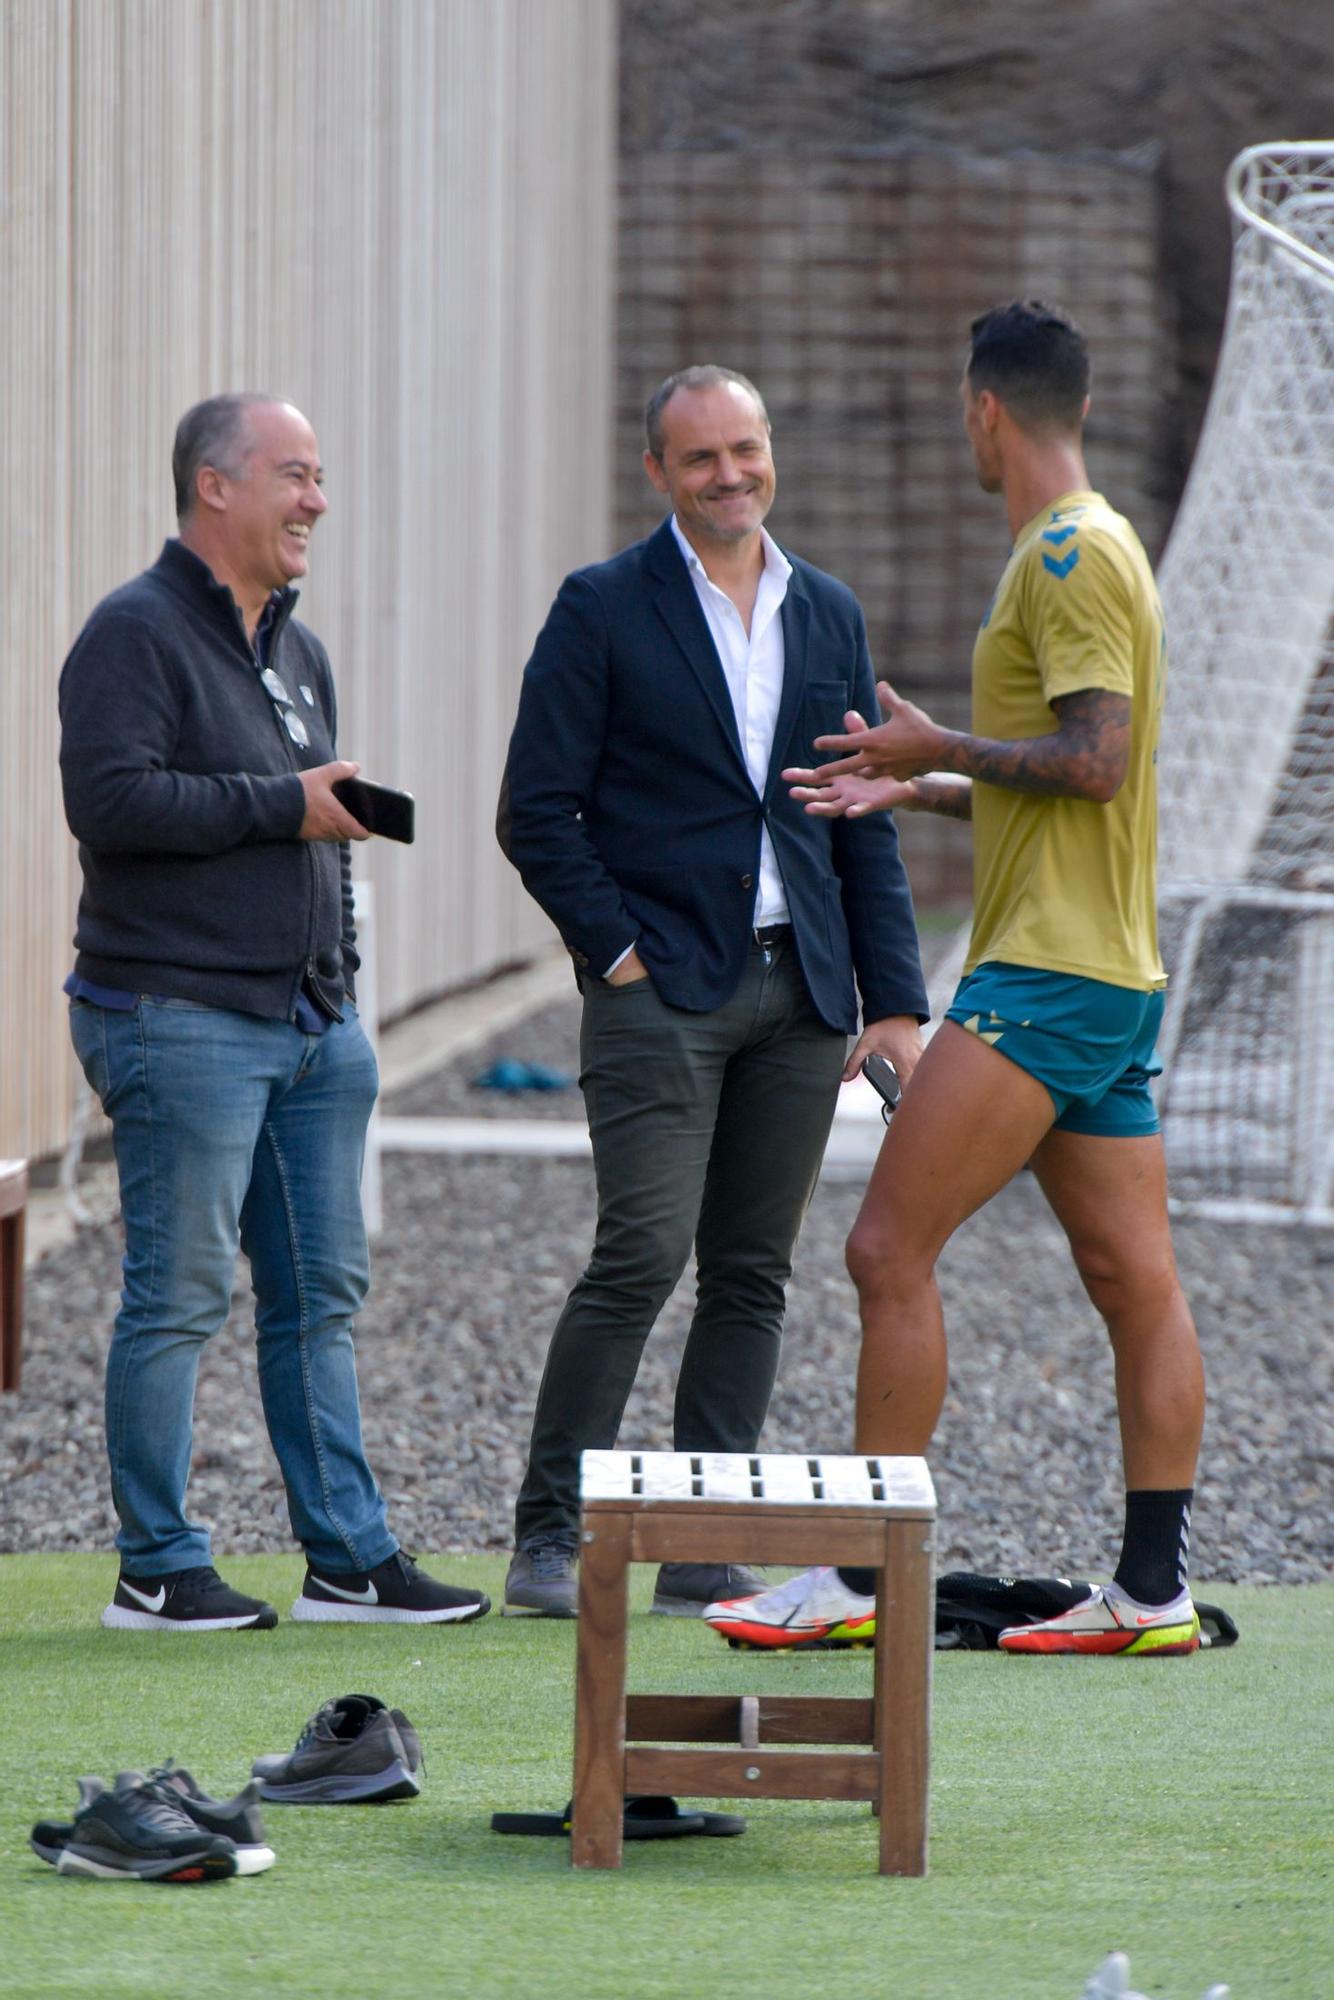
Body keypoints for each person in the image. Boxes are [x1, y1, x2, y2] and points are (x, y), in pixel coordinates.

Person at [709, 302, 1206, 1655]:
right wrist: (916, 782)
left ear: (983, 411)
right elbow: (1072, 792)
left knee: (885, 1249)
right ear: (1078, 406)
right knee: (1131, 1280)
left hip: (1045, 978)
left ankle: (863, 1580)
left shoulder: (1064, 555)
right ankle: (1150, 1594)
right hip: (1107, 978)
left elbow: (1091, 762)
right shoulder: (1088, 545)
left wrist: (943, 739)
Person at [497, 364, 929, 1617]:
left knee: (751, 1270)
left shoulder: (827, 611)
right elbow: (535, 809)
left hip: (800, 994)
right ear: (658, 473)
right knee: (637, 1253)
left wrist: (890, 999)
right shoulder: (600, 608)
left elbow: (858, 821)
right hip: (658, 991)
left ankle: (698, 1540)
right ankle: (546, 1533)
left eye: (746, 449)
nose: (730, 474)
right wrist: (614, 953)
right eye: (701, 458)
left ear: (769, 450)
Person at [59, 393, 489, 1632]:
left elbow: (316, 824)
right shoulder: (132, 633)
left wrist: (337, 978)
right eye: (293, 475)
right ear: (215, 485)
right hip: (177, 1012)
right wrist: (279, 804)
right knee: (180, 1292)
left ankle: (347, 1559)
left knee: (319, 1296)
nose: (315, 500)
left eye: (318, 477)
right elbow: (113, 802)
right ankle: (157, 1566)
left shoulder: (297, 649)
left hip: (308, 1024)